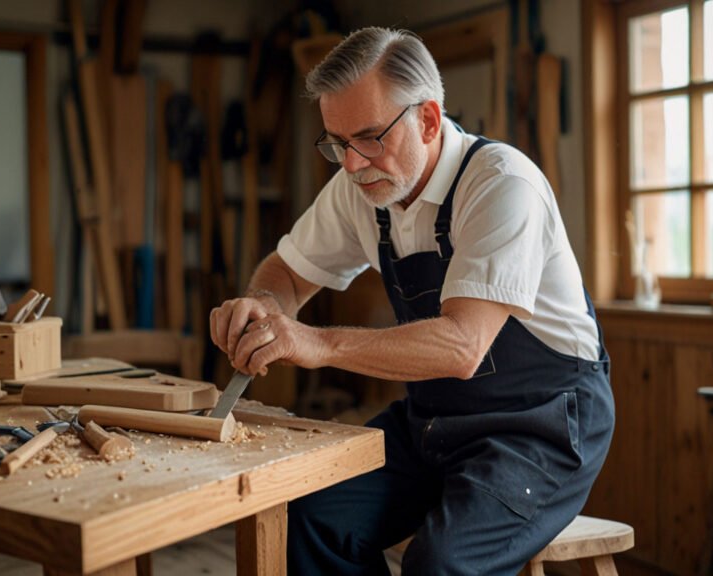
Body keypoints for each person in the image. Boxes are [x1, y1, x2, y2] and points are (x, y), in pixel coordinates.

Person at [210, 26, 615, 576]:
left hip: (539, 428)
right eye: (338, 142)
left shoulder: (501, 184)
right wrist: (265, 304)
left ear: (427, 119)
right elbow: (287, 270)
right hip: (435, 421)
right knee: (306, 517)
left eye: (370, 136)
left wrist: (318, 342)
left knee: (439, 564)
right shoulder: (365, 184)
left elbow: (463, 346)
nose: (351, 164)